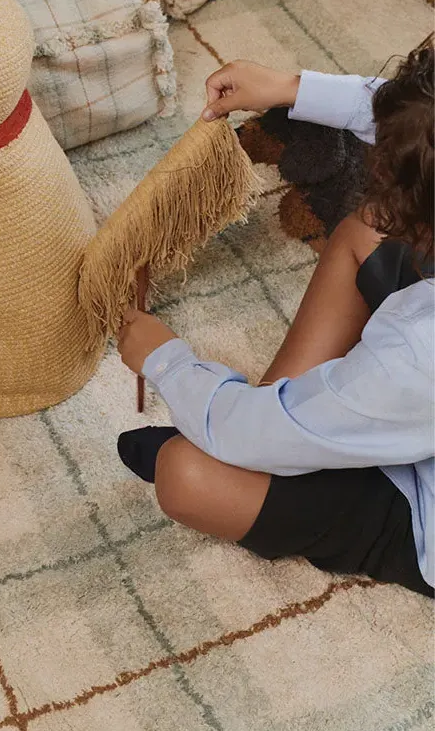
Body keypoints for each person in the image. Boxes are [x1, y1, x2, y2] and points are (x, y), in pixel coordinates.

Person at [116, 39, 434, 598]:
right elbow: (419, 128)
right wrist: (292, 88)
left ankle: (280, 434)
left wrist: (167, 361)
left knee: (187, 474)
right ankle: (281, 422)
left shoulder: (417, 354)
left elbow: (246, 434)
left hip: (419, 509)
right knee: (366, 228)